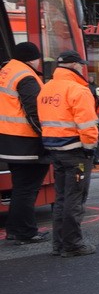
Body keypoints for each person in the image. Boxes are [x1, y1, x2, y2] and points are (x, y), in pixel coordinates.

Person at [37, 51, 98, 258]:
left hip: (54, 150)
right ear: (74, 66)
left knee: (62, 198)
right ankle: (72, 244)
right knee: (75, 199)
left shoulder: (46, 88)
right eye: (80, 65)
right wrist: (89, 150)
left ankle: (59, 244)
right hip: (75, 151)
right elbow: (88, 126)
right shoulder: (78, 90)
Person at [0, 42, 50, 245]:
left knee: (20, 187)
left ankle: (14, 229)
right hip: (26, 142)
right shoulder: (26, 76)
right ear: (32, 58)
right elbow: (35, 112)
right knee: (27, 189)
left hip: (8, 140)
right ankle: (26, 231)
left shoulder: (6, 71)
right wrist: (47, 137)